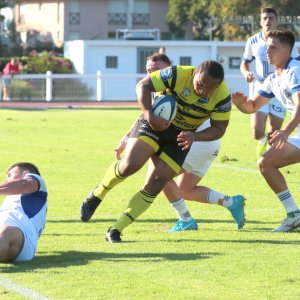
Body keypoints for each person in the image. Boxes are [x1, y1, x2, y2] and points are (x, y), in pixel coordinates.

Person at [81, 58, 232, 243]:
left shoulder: (223, 96)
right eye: (200, 84)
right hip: (153, 122)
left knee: (157, 182)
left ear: (218, 85)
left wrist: (196, 136)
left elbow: (220, 129)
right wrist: (149, 115)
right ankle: (98, 194)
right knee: (129, 166)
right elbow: (143, 85)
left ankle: (116, 229)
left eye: (209, 88)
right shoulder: (178, 74)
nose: (203, 90)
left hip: (180, 137)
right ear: (194, 74)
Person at [114, 54, 245, 232]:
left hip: (197, 141)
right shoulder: (162, 88)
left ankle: (185, 220)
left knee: (159, 177)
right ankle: (231, 202)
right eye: (149, 71)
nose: (152, 74)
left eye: (157, 70)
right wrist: (126, 138)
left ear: (169, 69)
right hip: (203, 143)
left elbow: (217, 127)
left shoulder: (177, 82)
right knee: (185, 189)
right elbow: (147, 118)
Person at [233, 28, 300, 232]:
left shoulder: (295, 71)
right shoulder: (273, 78)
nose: (267, 51)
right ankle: (294, 214)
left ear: (287, 50)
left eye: (273, 47)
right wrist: (239, 104)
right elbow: (252, 106)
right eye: (266, 46)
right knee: (265, 162)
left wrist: (286, 131)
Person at [240, 7, 300, 158]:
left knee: (274, 135)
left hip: (283, 93)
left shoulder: (285, 44)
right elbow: (244, 63)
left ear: (277, 21)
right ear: (260, 21)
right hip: (263, 89)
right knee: (257, 132)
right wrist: (246, 73)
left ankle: (269, 155)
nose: (268, 21)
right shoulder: (252, 41)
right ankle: (262, 142)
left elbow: (297, 64)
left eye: (271, 18)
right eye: (265, 18)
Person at [0, 162, 47, 262]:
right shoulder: (9, 198)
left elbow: (26, 184)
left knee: (5, 231)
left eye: (9, 175)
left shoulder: (37, 183)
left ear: (25, 174)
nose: (5, 180)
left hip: (24, 237)